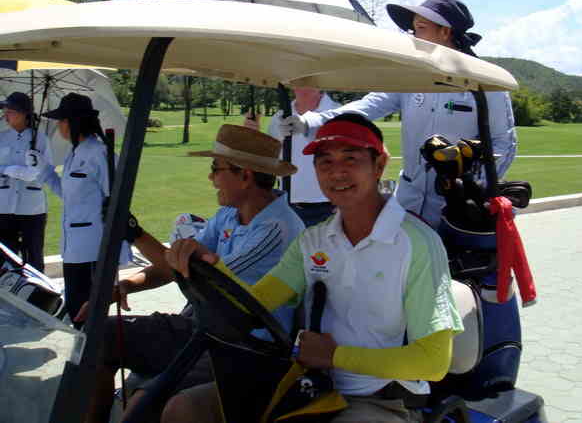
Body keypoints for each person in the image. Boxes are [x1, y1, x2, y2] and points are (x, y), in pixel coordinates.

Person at [162, 114, 464, 423]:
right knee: (183, 409)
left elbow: (433, 361)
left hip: (379, 398)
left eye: (350, 158)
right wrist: (212, 264)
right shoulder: (312, 241)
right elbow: (253, 307)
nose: (337, 172)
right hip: (307, 386)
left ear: (379, 165)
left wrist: (333, 356)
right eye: (325, 162)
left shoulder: (417, 244)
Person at [78, 124, 305, 423]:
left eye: (215, 168)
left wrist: (133, 232)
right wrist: (126, 286)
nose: (211, 178)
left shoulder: (277, 229)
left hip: (243, 348)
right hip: (202, 327)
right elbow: (175, 267)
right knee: (97, 338)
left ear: (245, 176)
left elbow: (199, 275)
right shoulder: (229, 214)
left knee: (147, 401)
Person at [279, 0, 517, 228]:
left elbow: (503, 143)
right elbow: (369, 106)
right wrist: (312, 122)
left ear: (445, 32)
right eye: (413, 29)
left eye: (421, 28)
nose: (413, 37)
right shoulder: (411, 78)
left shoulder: (486, 84)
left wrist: (474, 186)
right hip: (407, 201)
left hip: (459, 207)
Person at [32, 93, 132, 327]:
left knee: (88, 315)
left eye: (61, 120)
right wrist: (44, 169)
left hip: (94, 249)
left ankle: (95, 351)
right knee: (77, 310)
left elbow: (117, 202)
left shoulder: (101, 154)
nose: (58, 126)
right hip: (73, 248)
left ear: (72, 122)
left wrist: (117, 251)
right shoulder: (74, 154)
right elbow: (68, 195)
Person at [245, 88, 340, 227]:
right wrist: (253, 135)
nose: (302, 85)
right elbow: (269, 162)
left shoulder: (339, 113)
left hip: (332, 209)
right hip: (288, 208)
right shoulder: (279, 117)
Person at [0, 92, 53, 272]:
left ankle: (35, 289)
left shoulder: (41, 139)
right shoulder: (1, 138)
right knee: (4, 259)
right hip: (3, 207)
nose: (5, 115)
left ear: (24, 114)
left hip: (32, 209)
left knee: (34, 258)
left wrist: (8, 170)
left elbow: (41, 173)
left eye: (10, 111)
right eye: (5, 111)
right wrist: (12, 170)